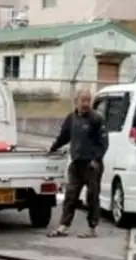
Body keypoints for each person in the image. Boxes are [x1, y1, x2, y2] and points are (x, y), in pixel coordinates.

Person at [46, 89, 108, 238]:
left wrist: (96, 159)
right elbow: (64, 137)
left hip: (92, 164)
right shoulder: (71, 119)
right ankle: (64, 226)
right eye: (83, 100)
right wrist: (52, 148)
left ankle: (92, 228)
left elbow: (103, 143)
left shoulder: (96, 119)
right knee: (70, 195)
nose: (86, 104)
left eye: (88, 100)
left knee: (92, 196)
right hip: (76, 163)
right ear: (76, 101)